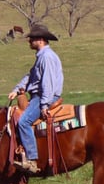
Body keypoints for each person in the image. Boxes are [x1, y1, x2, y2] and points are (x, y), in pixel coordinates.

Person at [7, 24, 63, 174]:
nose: (29, 41)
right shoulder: (41, 57)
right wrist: (16, 89)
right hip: (40, 95)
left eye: (31, 39)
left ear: (40, 40)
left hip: (45, 96)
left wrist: (44, 104)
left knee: (24, 122)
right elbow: (30, 76)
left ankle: (32, 160)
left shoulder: (47, 57)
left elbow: (47, 83)